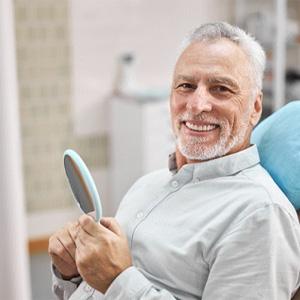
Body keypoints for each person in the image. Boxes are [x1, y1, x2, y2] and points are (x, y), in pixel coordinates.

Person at [49, 22, 300, 299]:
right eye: (186, 85)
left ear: (254, 107)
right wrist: (72, 275)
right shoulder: (147, 185)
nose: (196, 104)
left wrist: (118, 281)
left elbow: (115, 283)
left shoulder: (261, 215)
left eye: (221, 89)